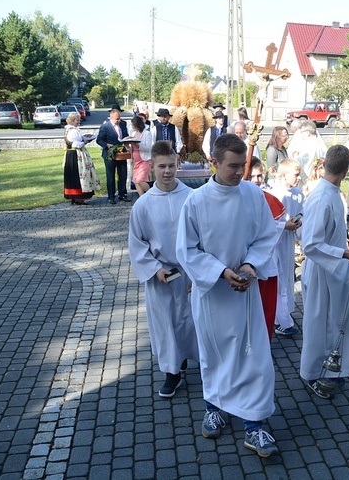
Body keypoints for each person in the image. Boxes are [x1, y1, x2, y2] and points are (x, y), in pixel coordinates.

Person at [176, 134, 279, 457]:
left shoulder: (252, 194)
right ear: (214, 163)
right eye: (233, 166)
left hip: (245, 291)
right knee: (214, 355)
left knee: (254, 358)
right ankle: (214, 408)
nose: (239, 172)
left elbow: (265, 236)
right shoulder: (196, 201)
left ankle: (255, 424)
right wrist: (221, 272)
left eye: (243, 165)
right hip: (212, 296)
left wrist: (248, 266)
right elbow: (187, 250)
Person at [128, 140, 198, 398]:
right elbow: (137, 244)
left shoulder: (191, 198)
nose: (167, 171)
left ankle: (189, 359)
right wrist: (155, 269)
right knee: (165, 323)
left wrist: (195, 271)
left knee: (190, 320)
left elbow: (202, 237)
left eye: (171, 165)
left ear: (177, 165)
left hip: (189, 271)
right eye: (161, 167)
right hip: (161, 275)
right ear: (152, 169)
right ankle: (172, 372)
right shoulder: (143, 205)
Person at [300, 145, 349, 399]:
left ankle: (333, 368)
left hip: (333, 269)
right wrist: (344, 253)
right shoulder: (322, 197)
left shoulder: (333, 194)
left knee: (337, 322)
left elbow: (329, 234)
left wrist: (346, 246)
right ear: (346, 170)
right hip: (320, 271)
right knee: (319, 324)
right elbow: (311, 244)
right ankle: (313, 374)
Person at [248, 158, 286, 341]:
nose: (256, 180)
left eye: (259, 175)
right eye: (252, 176)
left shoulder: (269, 198)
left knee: (267, 306)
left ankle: (265, 341)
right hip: (245, 265)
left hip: (268, 263)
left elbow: (272, 229)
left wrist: (285, 226)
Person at [270, 159, 304, 337]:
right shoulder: (274, 193)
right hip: (275, 244)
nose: (298, 177)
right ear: (283, 175)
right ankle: (283, 321)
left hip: (288, 242)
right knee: (280, 280)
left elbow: (301, 214)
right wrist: (284, 226)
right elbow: (267, 223)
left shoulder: (298, 194)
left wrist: (299, 229)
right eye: (295, 174)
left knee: (288, 278)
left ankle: (283, 314)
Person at [63, 112, 101, 205]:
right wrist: (85, 141)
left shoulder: (71, 130)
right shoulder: (72, 131)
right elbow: (75, 144)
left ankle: (74, 197)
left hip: (72, 154)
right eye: (77, 120)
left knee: (74, 175)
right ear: (72, 121)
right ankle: (78, 197)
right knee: (78, 174)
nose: (78, 122)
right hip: (76, 154)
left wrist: (83, 138)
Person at [96, 107, 130, 204]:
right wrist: (107, 145)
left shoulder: (123, 124)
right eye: (117, 119)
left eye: (119, 118)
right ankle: (111, 196)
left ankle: (122, 194)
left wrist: (127, 143)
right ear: (111, 117)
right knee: (110, 175)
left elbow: (125, 136)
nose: (119, 120)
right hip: (110, 154)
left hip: (121, 154)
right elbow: (99, 140)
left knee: (123, 174)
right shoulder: (105, 126)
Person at [289, 120, 327, 188]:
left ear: (307, 132)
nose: (301, 134)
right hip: (318, 180)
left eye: (302, 132)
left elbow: (305, 166)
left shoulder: (309, 146)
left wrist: (295, 157)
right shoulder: (319, 144)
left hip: (308, 182)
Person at [130, 115, 153, 196]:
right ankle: (142, 199)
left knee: (140, 180)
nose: (132, 127)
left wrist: (138, 145)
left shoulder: (147, 134)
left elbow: (148, 148)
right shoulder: (133, 133)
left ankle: (152, 194)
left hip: (145, 160)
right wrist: (127, 145)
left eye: (133, 125)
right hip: (136, 161)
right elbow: (131, 149)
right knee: (136, 180)